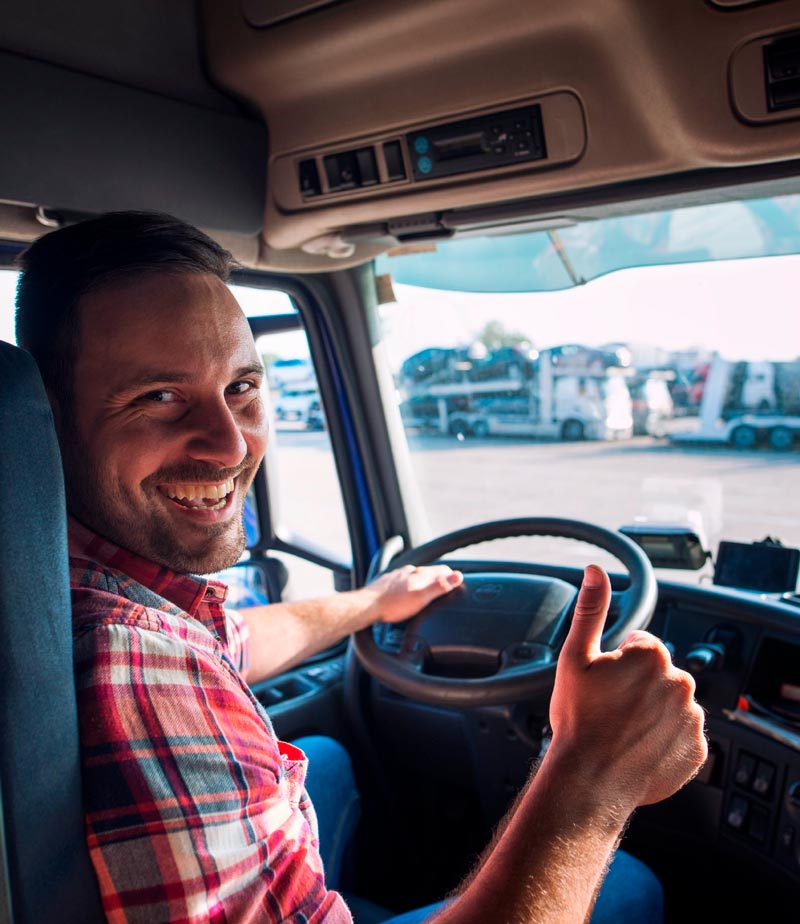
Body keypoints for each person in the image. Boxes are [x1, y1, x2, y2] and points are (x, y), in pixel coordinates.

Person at [14, 211, 708, 924]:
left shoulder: (54, 582)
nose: (230, 445)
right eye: (159, 398)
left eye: (242, 389)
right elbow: (168, 664)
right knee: (627, 882)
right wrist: (591, 772)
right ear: (47, 419)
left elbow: (229, 640)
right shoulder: (139, 666)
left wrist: (373, 603)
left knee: (327, 760)